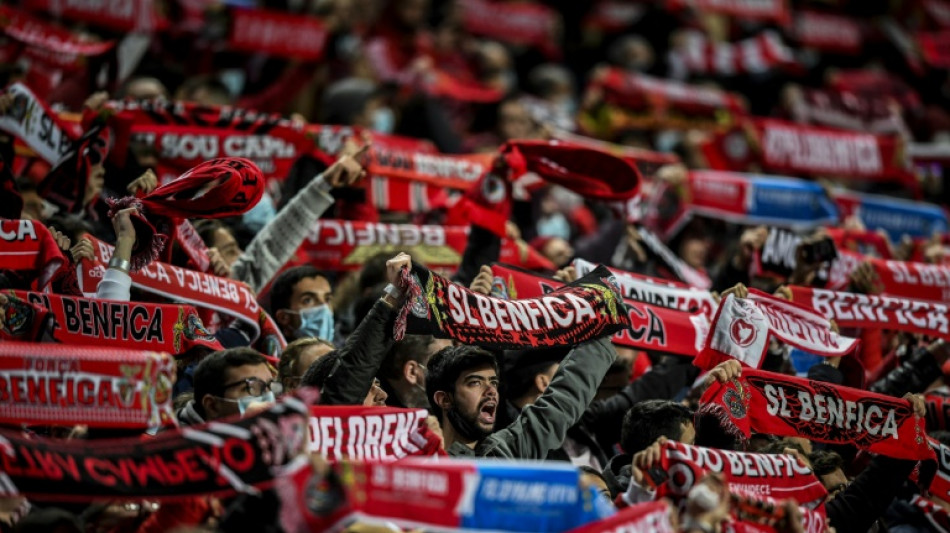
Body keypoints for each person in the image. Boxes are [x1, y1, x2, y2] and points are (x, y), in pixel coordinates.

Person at [425, 335, 617, 458]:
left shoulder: (507, 451)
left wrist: (600, 336)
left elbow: (561, 402)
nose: (491, 390)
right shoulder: (416, 457)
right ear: (444, 399)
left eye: (493, 382)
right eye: (475, 382)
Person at [176, 347, 280, 425]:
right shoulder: (175, 448)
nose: (269, 398)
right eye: (251, 387)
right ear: (212, 406)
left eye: (270, 386)